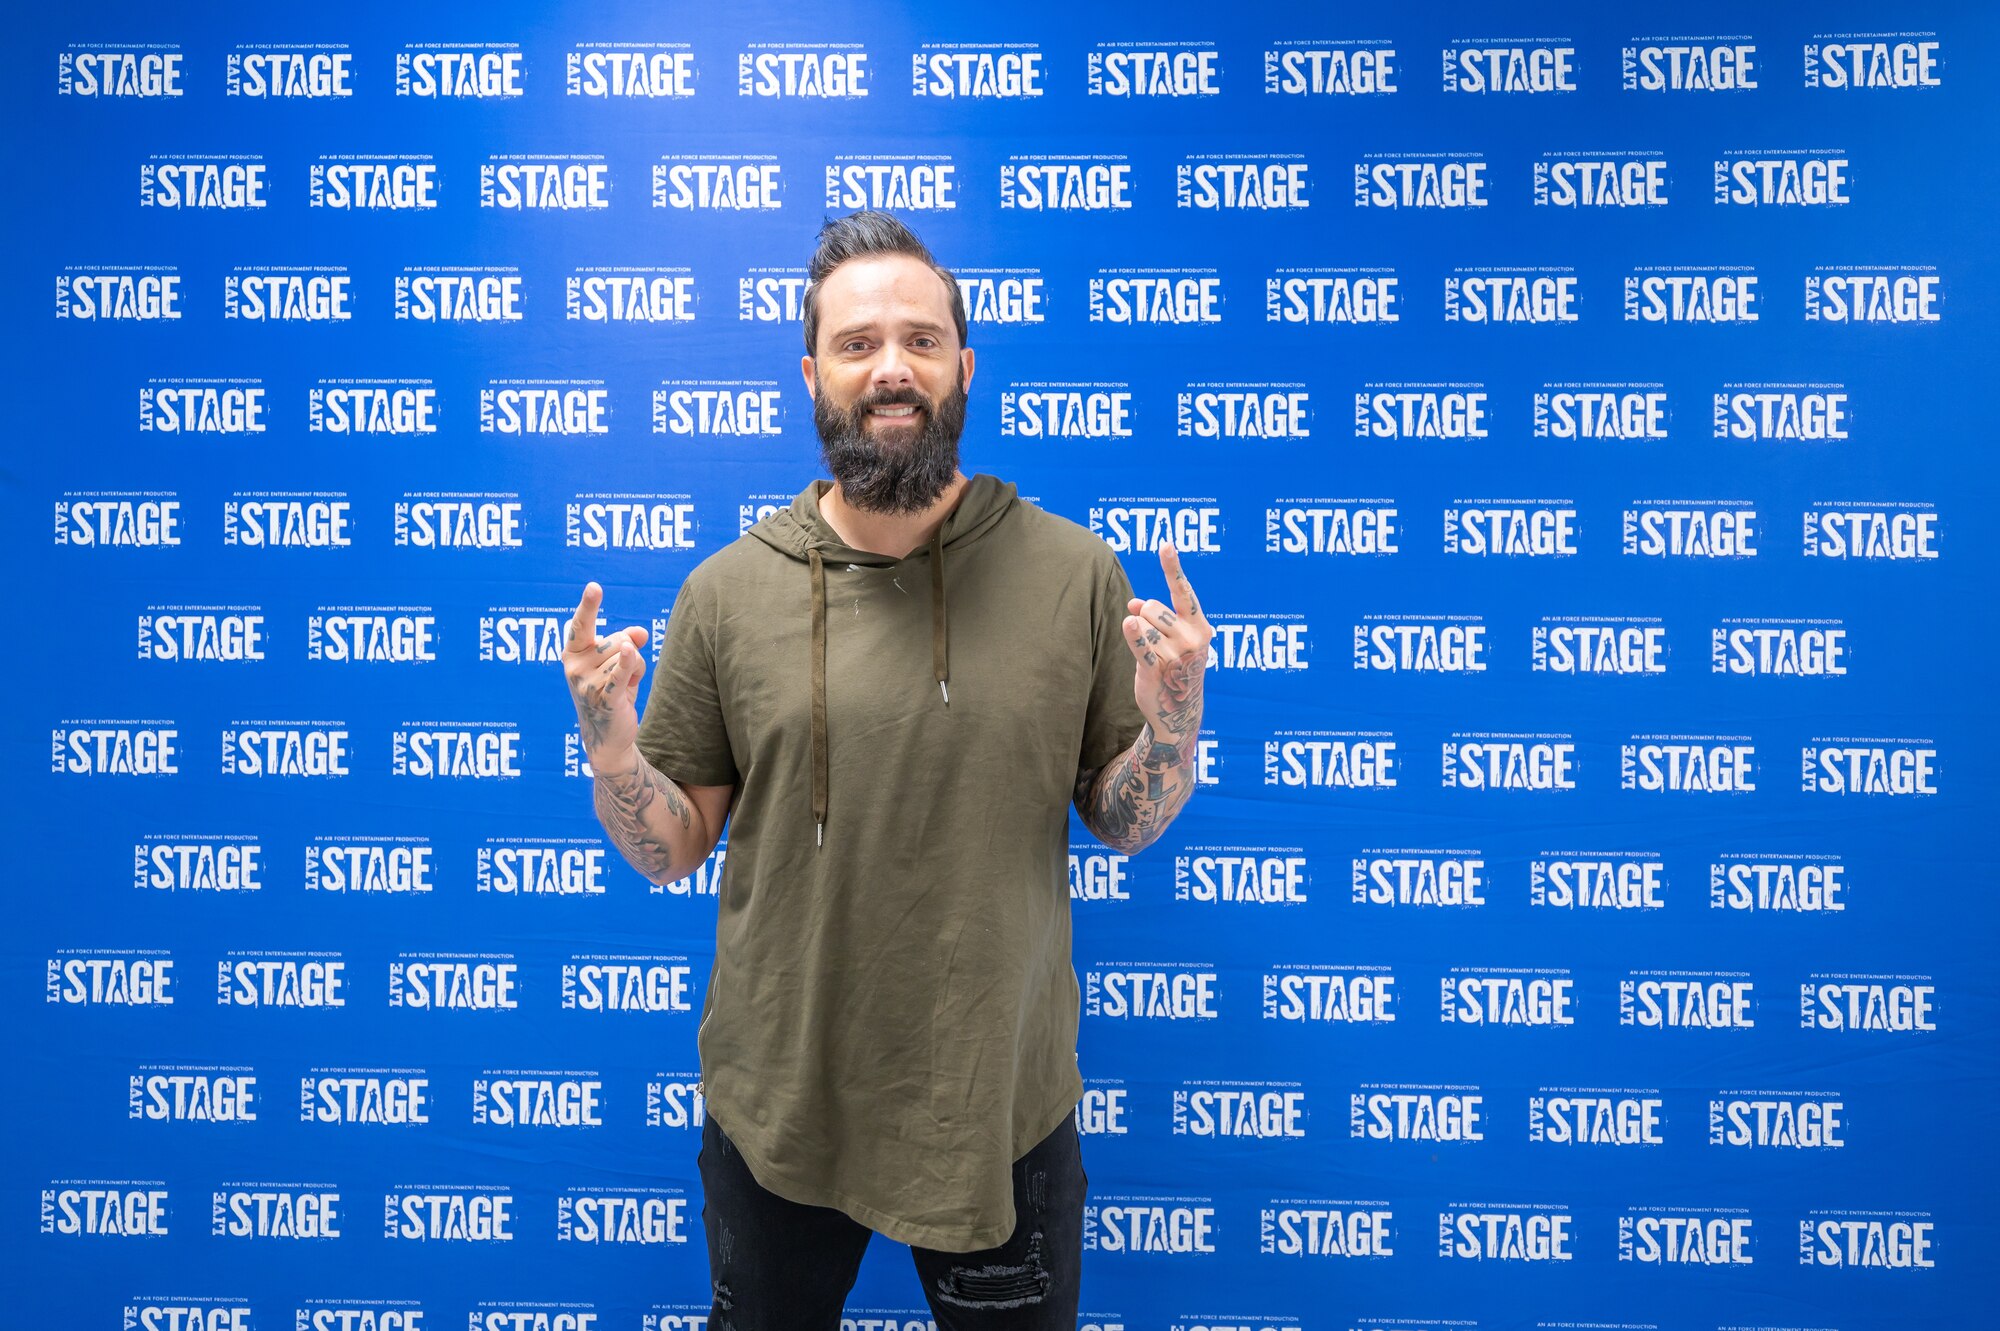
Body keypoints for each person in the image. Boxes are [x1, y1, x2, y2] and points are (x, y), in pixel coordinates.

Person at [560, 210, 1212, 1328]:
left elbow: (1125, 823)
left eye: (919, 339)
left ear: (963, 365)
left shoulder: (1073, 572)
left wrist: (1170, 730)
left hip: (993, 1107)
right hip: (779, 1106)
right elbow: (666, 847)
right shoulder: (727, 589)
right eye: (858, 344)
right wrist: (613, 747)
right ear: (812, 374)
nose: (890, 368)